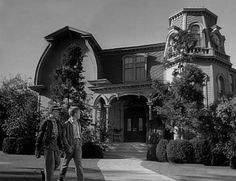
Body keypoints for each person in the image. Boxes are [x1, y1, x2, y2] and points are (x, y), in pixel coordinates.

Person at [35, 105, 63, 181]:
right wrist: (37, 148)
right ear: (52, 112)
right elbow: (40, 135)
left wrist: (61, 147)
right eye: (56, 111)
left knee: (57, 163)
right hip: (48, 145)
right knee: (50, 166)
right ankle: (47, 176)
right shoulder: (46, 122)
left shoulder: (58, 123)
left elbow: (59, 136)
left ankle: (45, 172)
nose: (58, 113)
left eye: (58, 111)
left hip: (56, 145)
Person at [58, 106, 84, 181]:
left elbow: (79, 134)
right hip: (70, 145)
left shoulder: (78, 123)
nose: (80, 114)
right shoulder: (66, 124)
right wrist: (67, 146)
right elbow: (64, 137)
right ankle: (60, 179)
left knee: (79, 165)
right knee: (65, 164)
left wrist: (80, 142)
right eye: (79, 113)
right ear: (75, 114)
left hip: (78, 145)